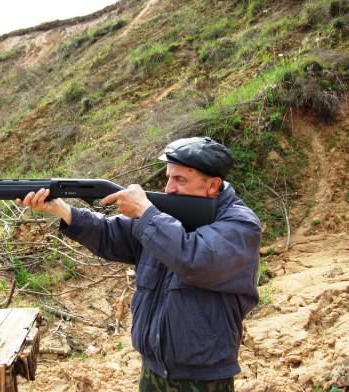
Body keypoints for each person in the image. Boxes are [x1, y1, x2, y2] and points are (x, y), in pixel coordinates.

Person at [17, 136, 261, 392]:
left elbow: (193, 260)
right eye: (169, 177)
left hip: (203, 377)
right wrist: (61, 208)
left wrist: (146, 213)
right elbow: (110, 235)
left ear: (213, 186)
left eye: (180, 180)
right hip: (153, 368)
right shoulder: (164, 219)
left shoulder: (240, 225)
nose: (169, 188)